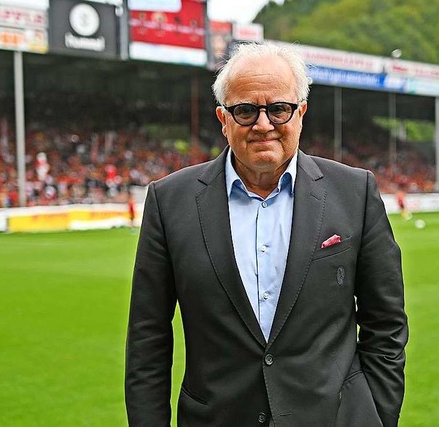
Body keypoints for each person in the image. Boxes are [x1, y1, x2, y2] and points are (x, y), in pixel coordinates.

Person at [125, 42, 408, 427]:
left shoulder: (354, 192)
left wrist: (378, 415)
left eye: (278, 108)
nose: (263, 124)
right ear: (223, 119)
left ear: (301, 114)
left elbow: (386, 323)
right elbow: (148, 339)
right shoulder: (169, 201)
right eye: (245, 110)